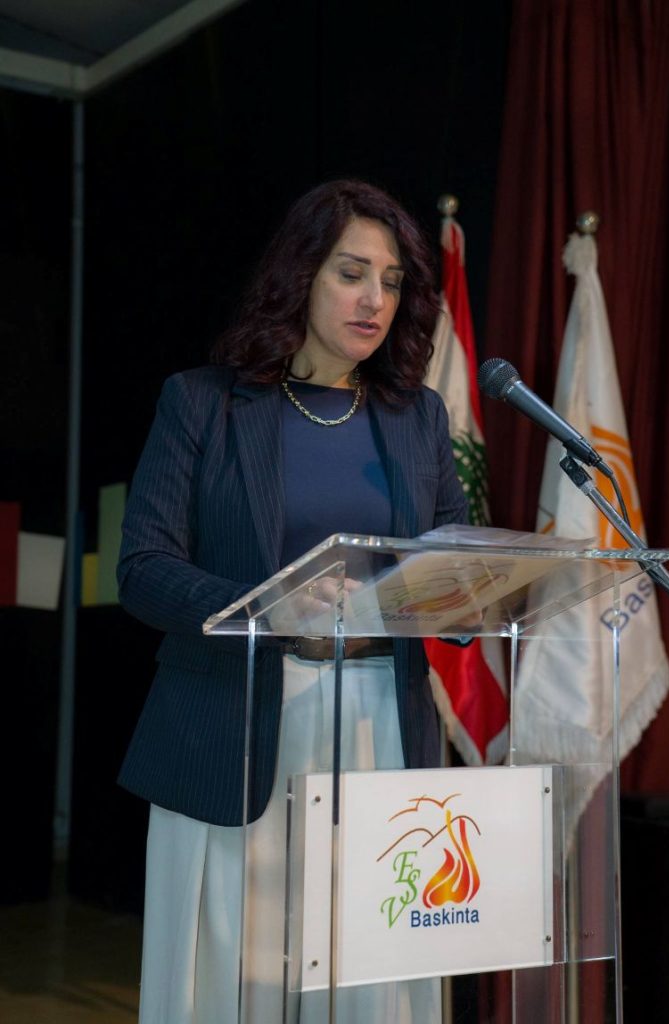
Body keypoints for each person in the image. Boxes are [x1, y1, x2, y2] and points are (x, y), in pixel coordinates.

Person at [117, 179, 470, 1023]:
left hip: (380, 726)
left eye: (391, 282)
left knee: (369, 979)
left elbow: (451, 558)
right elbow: (144, 567)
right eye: (352, 273)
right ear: (301, 274)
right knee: (234, 979)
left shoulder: (417, 416)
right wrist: (269, 606)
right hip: (234, 722)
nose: (374, 299)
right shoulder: (203, 402)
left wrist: (471, 589)